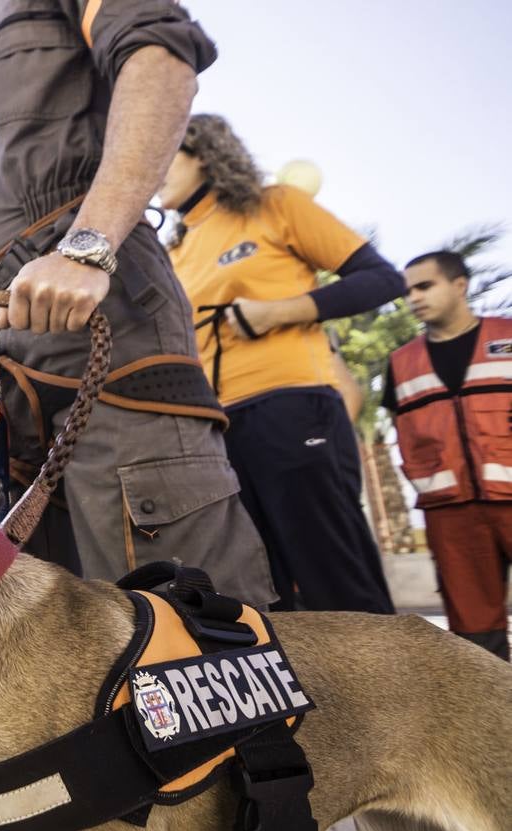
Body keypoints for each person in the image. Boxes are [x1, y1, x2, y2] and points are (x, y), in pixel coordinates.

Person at [0, 1, 275, 610]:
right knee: (46, 646)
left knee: (182, 634)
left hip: (109, 345)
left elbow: (161, 59)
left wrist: (88, 245)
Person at [156, 114, 400, 615]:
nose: (150, 167)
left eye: (164, 152)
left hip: (290, 407)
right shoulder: (173, 252)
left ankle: (397, 691)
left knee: (333, 577)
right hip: (214, 434)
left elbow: (381, 279)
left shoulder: (275, 206)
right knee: (262, 592)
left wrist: (278, 312)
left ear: (203, 153)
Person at [382, 251, 512, 659]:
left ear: (460, 285)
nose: (415, 297)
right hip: (451, 513)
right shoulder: (401, 364)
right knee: (474, 631)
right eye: (408, 291)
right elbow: (404, 434)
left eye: (425, 286)